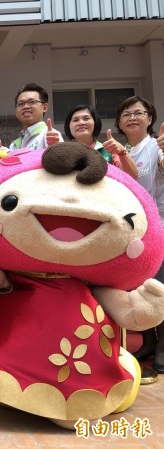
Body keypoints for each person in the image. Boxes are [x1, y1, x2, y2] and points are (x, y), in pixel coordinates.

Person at [103, 95, 164, 373]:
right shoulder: (123, 150)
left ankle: (163, 347)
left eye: (139, 113)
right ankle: (150, 344)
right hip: (138, 232)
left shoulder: (156, 146)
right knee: (142, 290)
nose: (132, 117)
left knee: (160, 290)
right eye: (126, 114)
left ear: (149, 119)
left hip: (160, 227)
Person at [62, 104, 137, 178]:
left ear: (95, 123)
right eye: (75, 120)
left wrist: (122, 153)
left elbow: (132, 177)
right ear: (69, 126)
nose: (81, 123)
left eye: (86, 118)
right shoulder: (64, 154)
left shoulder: (109, 151)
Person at [9, 83, 62, 151]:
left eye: (32, 102)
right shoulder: (13, 146)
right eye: (21, 104)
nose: (26, 106)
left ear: (44, 107)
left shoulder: (50, 136)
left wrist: (56, 149)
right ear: (16, 112)